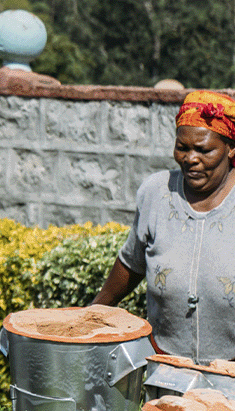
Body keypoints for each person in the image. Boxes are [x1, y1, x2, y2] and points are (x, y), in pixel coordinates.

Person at [92, 90, 235, 362]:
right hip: (165, 370)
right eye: (182, 147)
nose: (190, 158)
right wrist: (93, 313)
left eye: (204, 150)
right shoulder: (157, 192)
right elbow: (131, 263)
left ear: (231, 148)